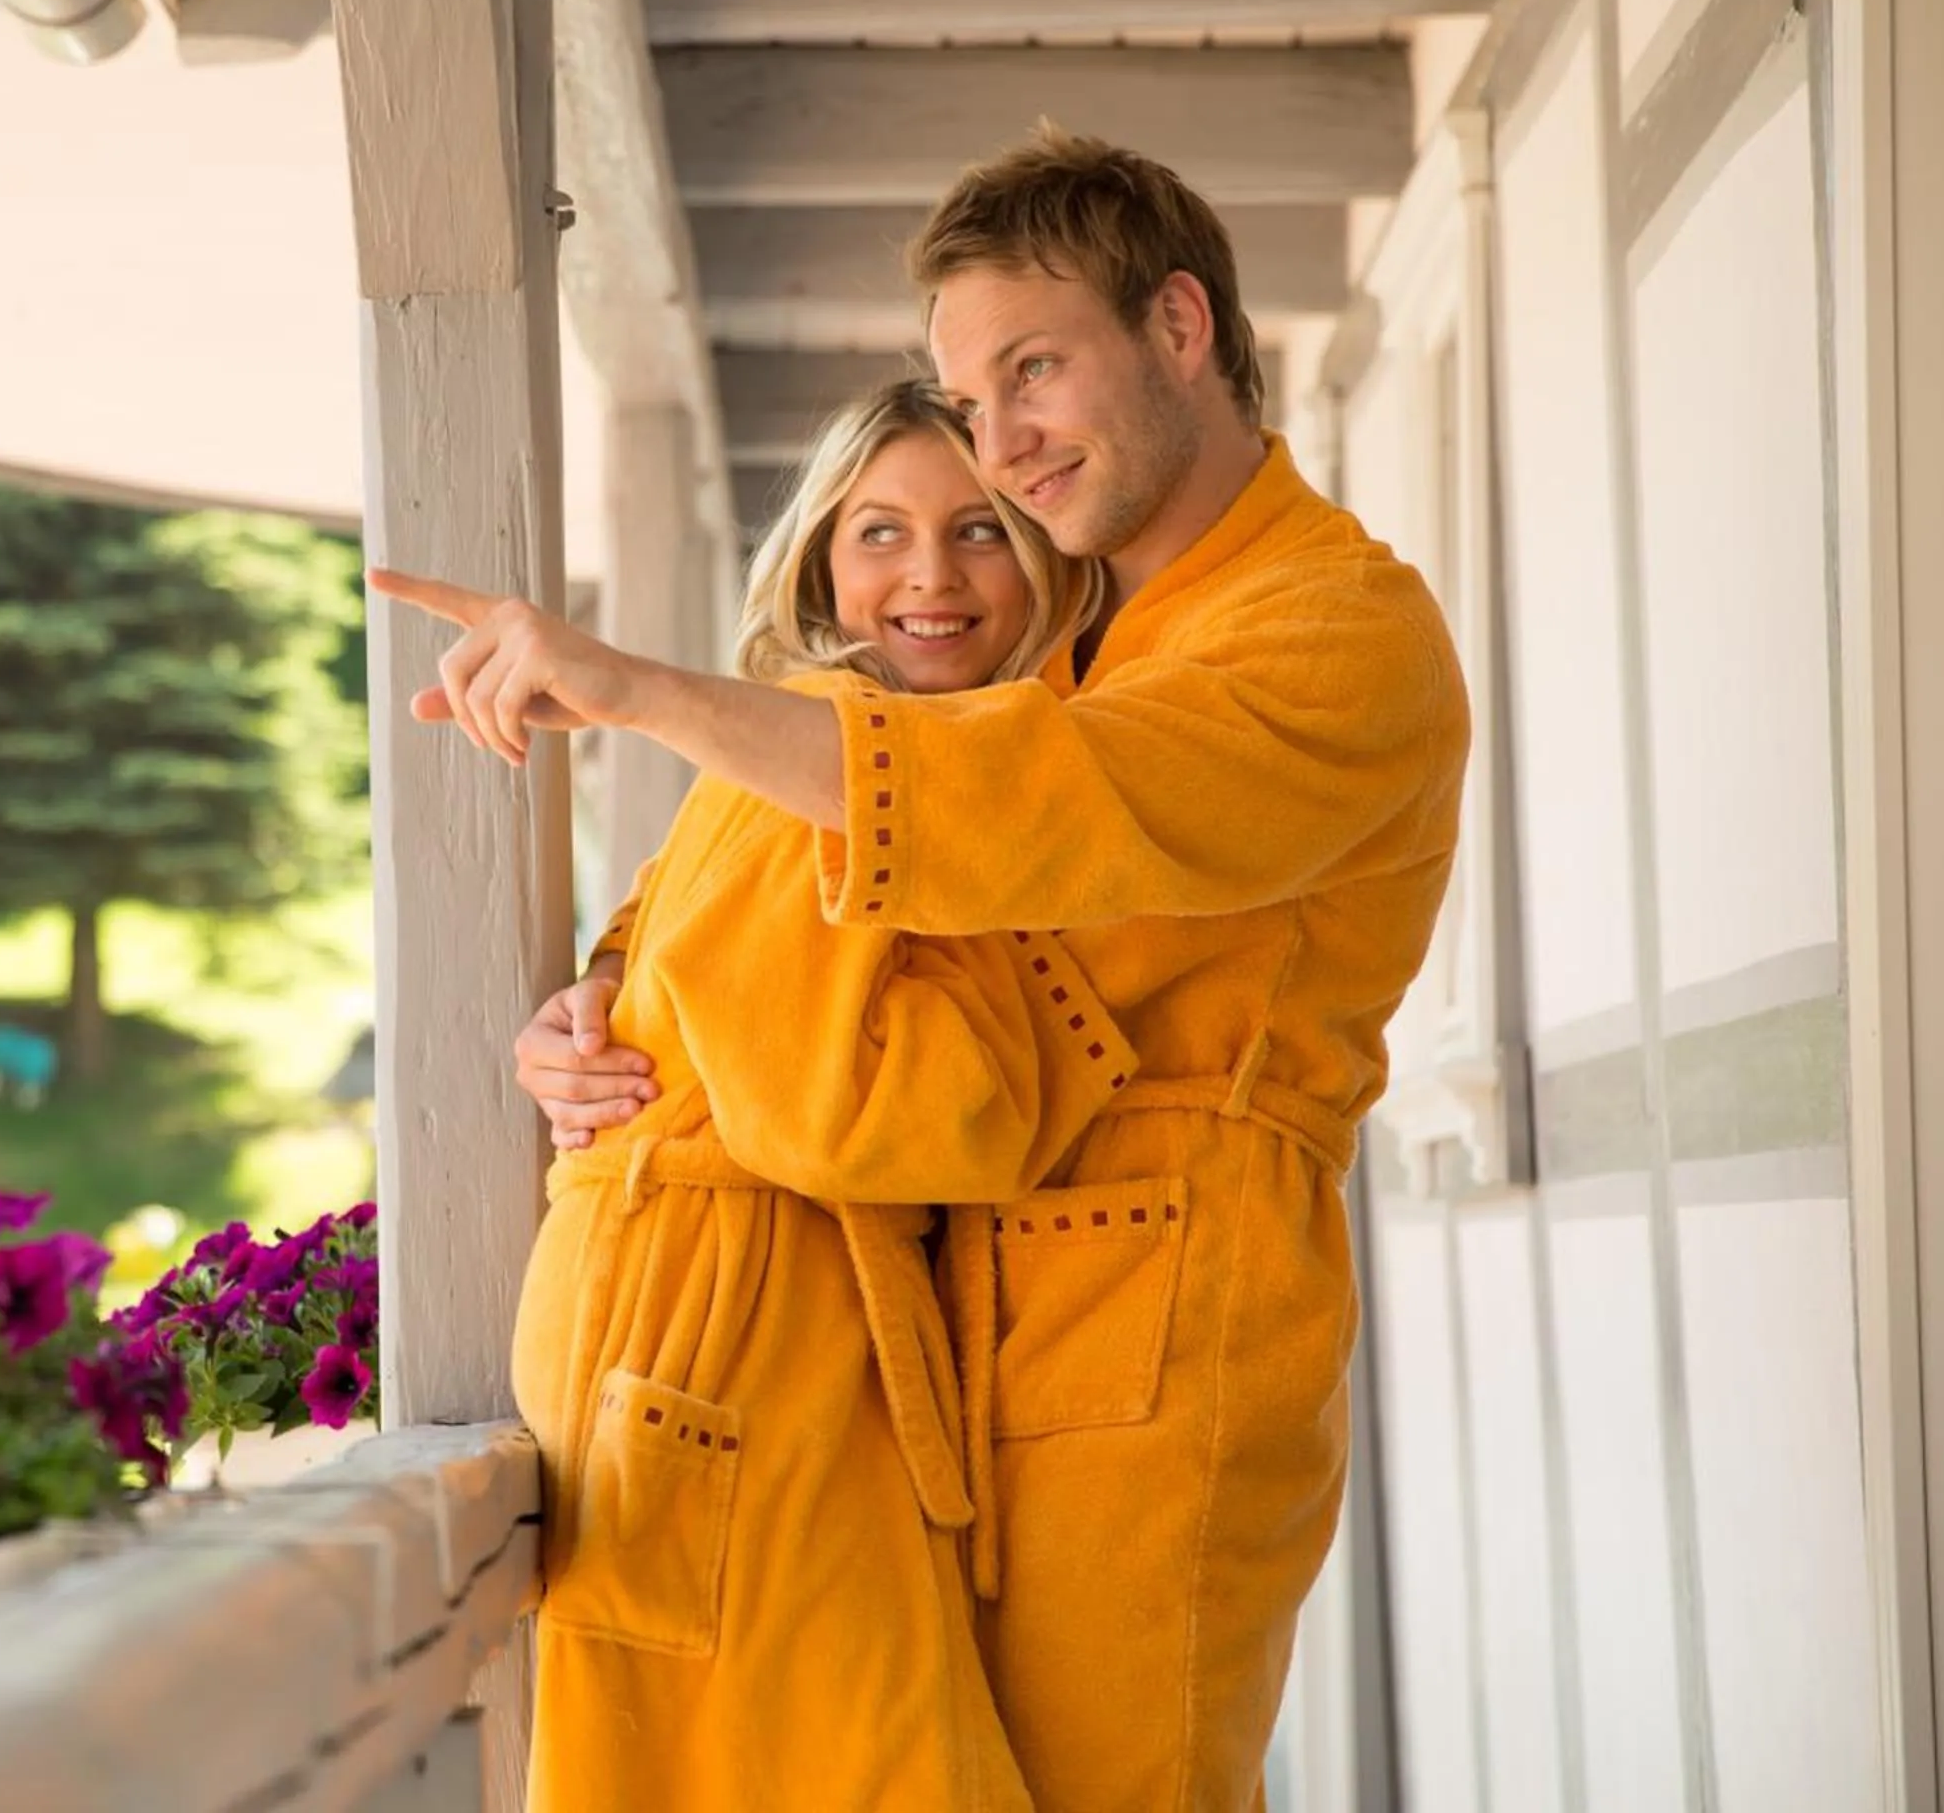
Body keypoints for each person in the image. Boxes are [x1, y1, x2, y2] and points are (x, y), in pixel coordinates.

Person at [375, 124, 1469, 1810]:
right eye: (973, 400)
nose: (1006, 446)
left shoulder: (1332, 629)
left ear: (1181, 327)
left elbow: (1032, 802)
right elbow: (827, 877)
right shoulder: (1090, 610)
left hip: (1161, 1312)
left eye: (1037, 371)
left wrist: (644, 691)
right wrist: (607, 992)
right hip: (950, 1317)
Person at [512, 378, 1138, 1813]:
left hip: (767, 1323)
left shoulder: (922, 766)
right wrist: (1028, 1023)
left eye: (981, 531)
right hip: (717, 1325)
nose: (929, 576)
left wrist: (602, 984)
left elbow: (691, 970)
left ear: (1048, 556)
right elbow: (859, 1117)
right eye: (880, 532)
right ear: (817, 565)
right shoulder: (819, 741)